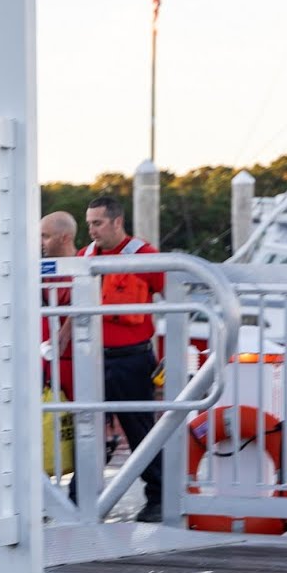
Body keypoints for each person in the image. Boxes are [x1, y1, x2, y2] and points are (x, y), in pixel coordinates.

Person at [77, 196, 167, 522]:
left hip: (132, 360)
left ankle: (159, 498)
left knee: (141, 430)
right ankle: (80, 500)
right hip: (92, 359)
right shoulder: (84, 257)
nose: (91, 230)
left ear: (117, 222)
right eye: (88, 223)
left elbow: (176, 296)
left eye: (97, 223)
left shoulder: (145, 256)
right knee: (86, 427)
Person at [38, 211, 78, 398]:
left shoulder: (86, 270)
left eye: (45, 236)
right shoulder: (39, 272)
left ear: (65, 238)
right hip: (46, 363)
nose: (40, 242)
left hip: (79, 363)